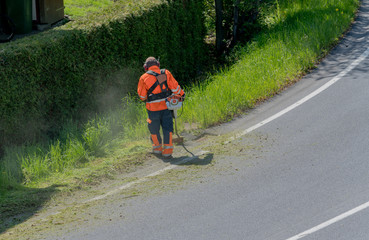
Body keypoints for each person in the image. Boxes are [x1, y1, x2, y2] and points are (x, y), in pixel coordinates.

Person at [137, 57, 185, 158]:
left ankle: (157, 149)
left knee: (153, 128)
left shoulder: (143, 78)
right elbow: (175, 88)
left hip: (152, 109)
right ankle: (167, 152)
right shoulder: (166, 73)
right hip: (166, 107)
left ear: (146, 67)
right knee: (167, 128)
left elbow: (142, 97)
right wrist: (181, 94)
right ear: (158, 64)